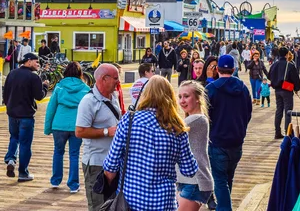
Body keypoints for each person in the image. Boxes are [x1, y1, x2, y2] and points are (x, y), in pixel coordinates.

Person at [102, 76, 198, 210]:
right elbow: (189, 170)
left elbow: (111, 166)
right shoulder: (178, 128)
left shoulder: (129, 120)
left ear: (145, 95)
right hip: (164, 203)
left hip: (131, 201)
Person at [206, 55, 252, 210]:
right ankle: (223, 206)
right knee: (227, 179)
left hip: (217, 141)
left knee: (219, 180)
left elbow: (205, 116)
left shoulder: (211, 89)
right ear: (233, 69)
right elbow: (248, 113)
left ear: (217, 69)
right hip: (237, 141)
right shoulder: (243, 88)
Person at [75, 63, 121, 211]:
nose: (118, 82)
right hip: (96, 163)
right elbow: (80, 131)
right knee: (98, 206)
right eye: (115, 78)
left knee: (113, 205)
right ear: (103, 79)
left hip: (113, 162)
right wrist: (107, 132)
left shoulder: (113, 97)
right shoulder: (88, 101)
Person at [3, 52, 49, 182]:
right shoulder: (33, 77)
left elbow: (5, 93)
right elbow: (39, 96)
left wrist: (8, 106)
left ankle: (11, 159)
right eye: (36, 62)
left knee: (14, 137)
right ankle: (23, 173)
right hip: (26, 116)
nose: (38, 65)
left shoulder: (12, 73)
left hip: (12, 114)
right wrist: (45, 86)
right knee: (24, 144)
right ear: (28, 61)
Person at [44, 61, 89, 192]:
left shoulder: (59, 88)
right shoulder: (86, 90)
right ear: (80, 73)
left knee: (58, 152)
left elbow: (51, 109)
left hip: (59, 125)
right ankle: (73, 185)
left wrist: (48, 128)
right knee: (74, 154)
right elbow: (88, 111)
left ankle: (55, 180)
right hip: (77, 126)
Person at [177, 80, 213, 210]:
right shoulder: (191, 118)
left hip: (195, 181)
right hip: (186, 180)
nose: (182, 101)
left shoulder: (196, 119)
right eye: (180, 97)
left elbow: (168, 130)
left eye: (186, 96)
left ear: (198, 99)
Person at [269, 47, 300, 139]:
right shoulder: (289, 65)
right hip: (287, 90)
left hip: (277, 90)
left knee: (279, 110)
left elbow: (269, 76)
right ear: (287, 54)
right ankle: (288, 132)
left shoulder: (274, 65)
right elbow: (295, 78)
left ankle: (277, 132)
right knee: (288, 111)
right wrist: (296, 88)